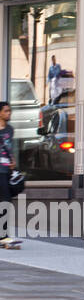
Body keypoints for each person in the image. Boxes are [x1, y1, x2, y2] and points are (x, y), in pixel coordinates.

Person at [0, 102, 17, 247]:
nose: (9, 113)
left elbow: (9, 147)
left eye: (9, 111)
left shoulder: (10, 130)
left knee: (5, 202)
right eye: (6, 111)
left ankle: (3, 235)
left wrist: (12, 160)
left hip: (5, 171)